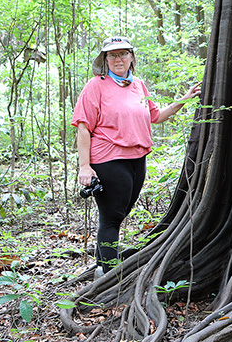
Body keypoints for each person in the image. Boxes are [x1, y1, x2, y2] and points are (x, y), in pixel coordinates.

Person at [72, 36, 201, 277]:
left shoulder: (138, 85)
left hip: (137, 159)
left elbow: (156, 116)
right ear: (105, 59)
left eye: (123, 53)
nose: (118, 59)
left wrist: (185, 99)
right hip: (108, 159)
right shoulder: (96, 86)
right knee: (111, 218)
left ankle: (102, 266)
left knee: (119, 214)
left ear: (131, 57)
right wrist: (84, 166)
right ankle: (110, 277)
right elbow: (83, 127)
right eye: (112, 55)